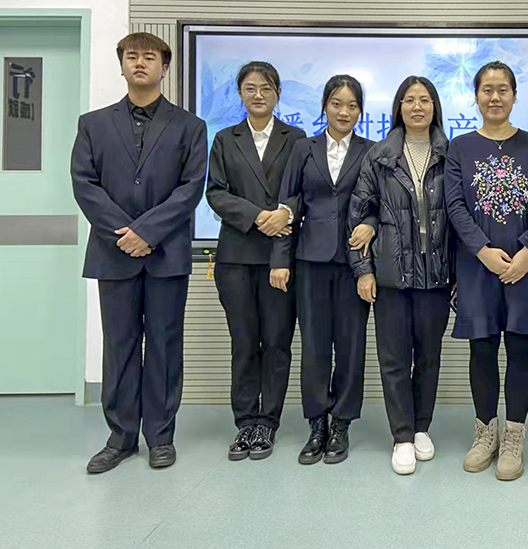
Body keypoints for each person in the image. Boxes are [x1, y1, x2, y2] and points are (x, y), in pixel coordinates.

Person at [72, 32, 208, 474]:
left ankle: (161, 437)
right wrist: (124, 234)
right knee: (120, 345)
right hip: (113, 254)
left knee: (165, 345)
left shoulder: (190, 126)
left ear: (165, 68)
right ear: (122, 66)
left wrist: (147, 232)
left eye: (150, 57)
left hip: (166, 254)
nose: (140, 63)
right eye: (132, 56)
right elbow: (84, 184)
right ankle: (120, 437)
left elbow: (191, 188)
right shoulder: (93, 124)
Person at [444, 60, 528, 481]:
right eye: (487, 89)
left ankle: (514, 437)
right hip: (477, 267)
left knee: (521, 348)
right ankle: (485, 433)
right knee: (482, 349)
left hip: (524, 267)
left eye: (503, 89)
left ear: (515, 96)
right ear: (476, 96)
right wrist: (483, 250)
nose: (495, 97)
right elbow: (454, 205)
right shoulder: (460, 146)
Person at [347, 76, 452, 475]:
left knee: (429, 358)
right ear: (399, 107)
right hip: (391, 276)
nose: (417, 106)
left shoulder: (450, 153)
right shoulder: (379, 156)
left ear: (434, 106)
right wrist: (363, 270)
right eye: (409, 100)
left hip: (436, 276)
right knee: (393, 359)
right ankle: (402, 436)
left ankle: (421, 426)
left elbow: (459, 216)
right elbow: (360, 215)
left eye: (424, 99)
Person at [270, 75, 373, 465]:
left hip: (353, 263)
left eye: (352, 105)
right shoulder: (303, 148)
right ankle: (317, 423)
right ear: (325, 106)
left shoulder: (371, 151)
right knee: (313, 346)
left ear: (360, 111)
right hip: (310, 260)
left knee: (350, 345)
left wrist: (372, 225)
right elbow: (287, 205)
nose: (344, 112)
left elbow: (379, 204)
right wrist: (280, 259)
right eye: (336, 103)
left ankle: (342, 423)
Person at [206, 61, 306, 461]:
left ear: (278, 93)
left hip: (281, 257)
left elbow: (305, 190)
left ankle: (268, 422)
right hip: (237, 256)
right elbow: (215, 192)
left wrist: (286, 212)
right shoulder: (225, 139)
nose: (258, 95)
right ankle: (245, 421)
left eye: (266, 88)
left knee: (277, 343)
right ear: (240, 93)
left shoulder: (296, 138)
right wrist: (257, 216)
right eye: (250, 88)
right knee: (244, 342)